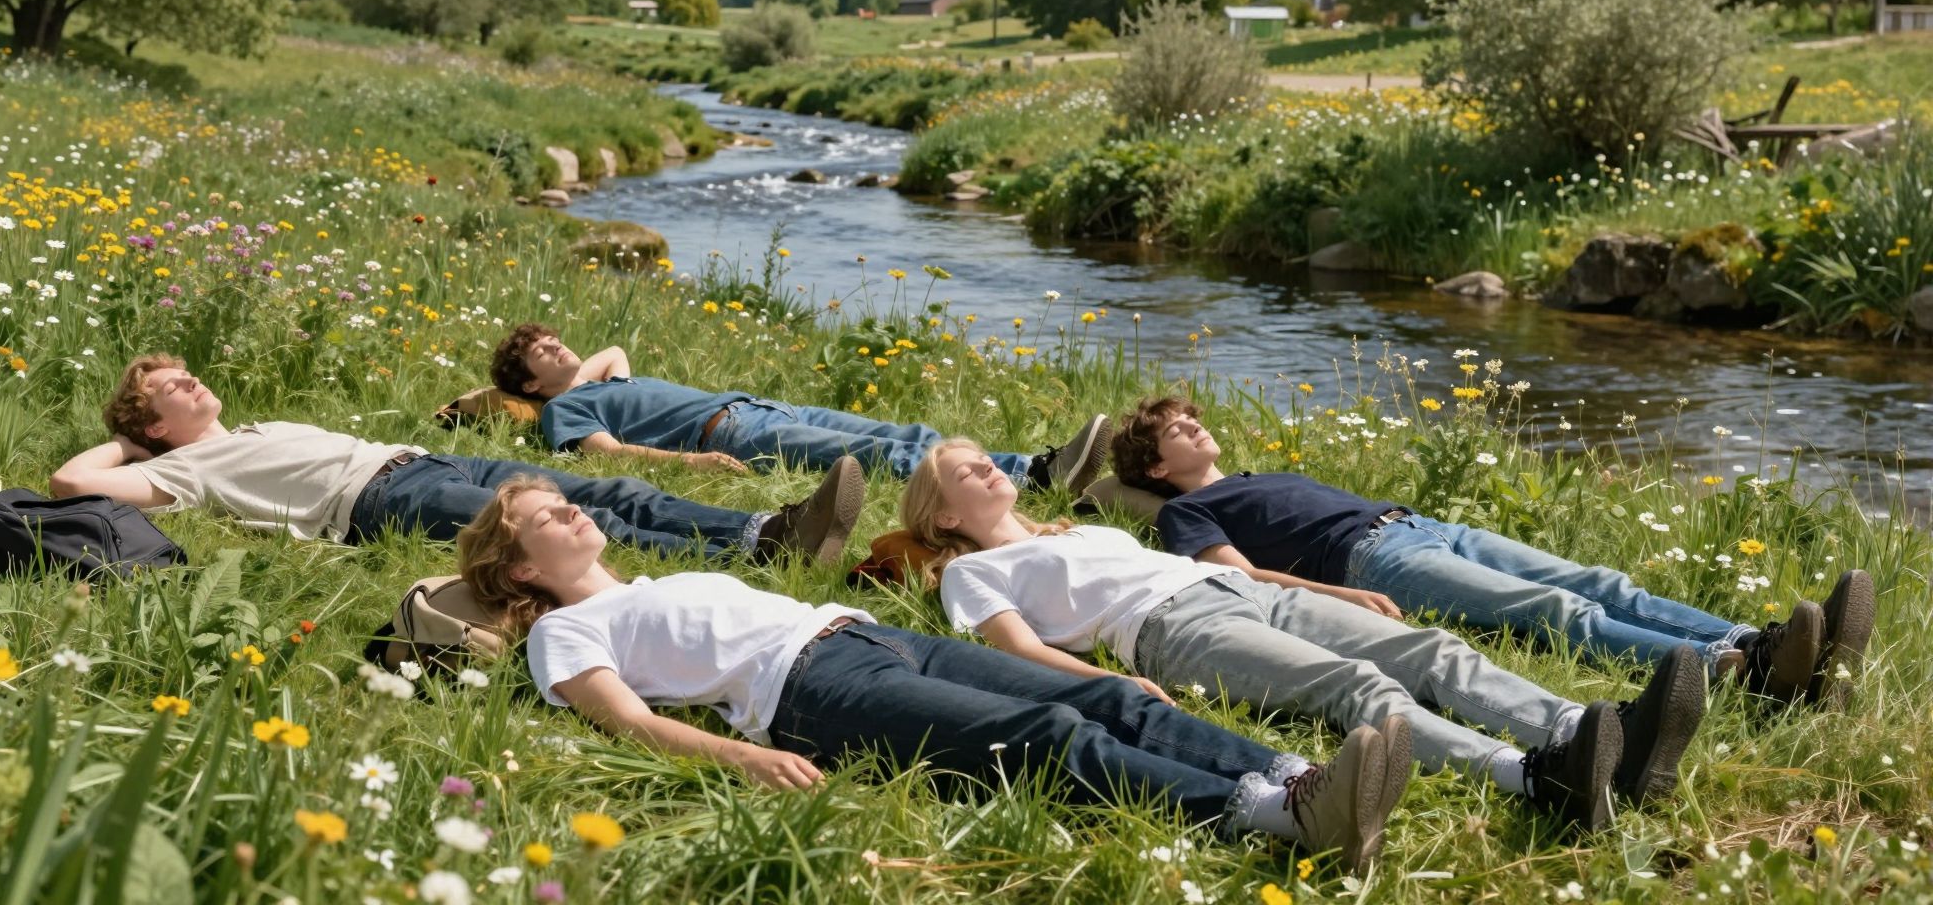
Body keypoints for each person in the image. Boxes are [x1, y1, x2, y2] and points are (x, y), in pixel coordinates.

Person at [457, 476, 1414, 873]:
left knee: (1108, 693)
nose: (571, 512)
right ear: (521, 571)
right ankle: (1276, 819)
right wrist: (739, 759)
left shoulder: (651, 580)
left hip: (869, 637)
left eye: (564, 502)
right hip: (810, 692)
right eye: (546, 517)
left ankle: (1293, 773)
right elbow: (626, 721)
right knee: (1052, 741)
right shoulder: (562, 636)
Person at [900, 439, 1707, 832]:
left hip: (1239, 589)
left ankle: (1585, 731)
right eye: (962, 472)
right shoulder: (972, 575)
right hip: (1177, 628)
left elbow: (1205, 544)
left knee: (1430, 649)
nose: (984, 468)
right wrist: (1104, 684)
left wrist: (1321, 585)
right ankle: (1534, 777)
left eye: (983, 459)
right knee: (1353, 688)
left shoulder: (1074, 532)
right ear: (942, 516)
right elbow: (1016, 650)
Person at [1110, 395, 1876, 708]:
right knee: (1555, 611)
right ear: (1154, 469)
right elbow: (1241, 582)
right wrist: (1342, 597)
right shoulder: (1191, 512)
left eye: (1191, 418)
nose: (1193, 427)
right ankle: (1735, 673)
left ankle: (1758, 640)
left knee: (1598, 578)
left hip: (1424, 525)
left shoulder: (1246, 475)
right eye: (1175, 430)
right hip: (1374, 562)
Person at [50, 354, 863, 562]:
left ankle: (767, 530)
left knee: (604, 483)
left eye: (187, 374)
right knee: (580, 522)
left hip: (424, 458)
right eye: (171, 388)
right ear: (152, 427)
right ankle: (751, 549)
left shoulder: (250, 430)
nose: (192, 381)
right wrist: (128, 441)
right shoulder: (176, 470)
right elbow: (69, 482)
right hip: (380, 504)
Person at [488, 323, 1110, 489]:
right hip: (727, 435)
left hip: (767, 408)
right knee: (872, 454)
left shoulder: (601, 384)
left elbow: (613, 350)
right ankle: (1031, 475)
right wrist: (690, 466)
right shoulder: (559, 413)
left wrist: (559, 376)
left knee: (904, 428)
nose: (554, 342)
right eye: (539, 350)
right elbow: (610, 454)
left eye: (551, 336)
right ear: (530, 386)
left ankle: (1025, 466)